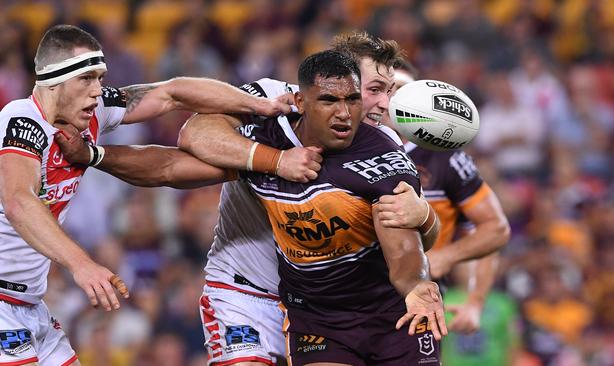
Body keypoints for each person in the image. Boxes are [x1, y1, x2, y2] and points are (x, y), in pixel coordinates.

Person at [57, 31, 440, 366]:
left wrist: (425, 218)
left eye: (388, 93)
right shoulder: (271, 105)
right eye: (373, 90)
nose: (383, 105)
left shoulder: (385, 148)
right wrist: (276, 161)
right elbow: (191, 140)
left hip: (322, 308)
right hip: (246, 291)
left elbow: (410, 248)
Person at [0, 24, 296, 366]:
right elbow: (19, 201)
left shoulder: (91, 115)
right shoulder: (22, 121)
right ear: (54, 79)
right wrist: (82, 265)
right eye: (87, 78)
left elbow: (173, 93)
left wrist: (258, 105)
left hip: (28, 304)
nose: (98, 91)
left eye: (100, 78)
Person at [379, 61, 511, 335]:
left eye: (401, 90)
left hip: (421, 298)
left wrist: (472, 298)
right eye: (385, 90)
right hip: (352, 296)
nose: (392, 100)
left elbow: (494, 229)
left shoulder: (445, 158)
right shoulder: (345, 147)